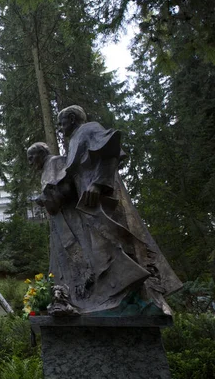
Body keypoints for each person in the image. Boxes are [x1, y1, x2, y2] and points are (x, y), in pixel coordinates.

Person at [28, 106, 182, 315]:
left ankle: (140, 295)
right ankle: (116, 296)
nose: (60, 127)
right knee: (102, 249)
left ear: (72, 118)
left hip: (100, 197)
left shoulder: (89, 129)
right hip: (87, 203)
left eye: (62, 121)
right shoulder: (74, 141)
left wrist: (98, 184)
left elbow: (111, 152)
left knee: (116, 241)